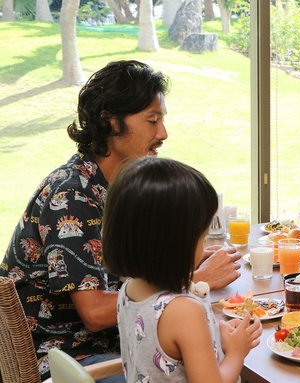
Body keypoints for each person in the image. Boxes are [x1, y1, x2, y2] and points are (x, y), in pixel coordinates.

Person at [0, 60, 242, 381]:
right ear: (109, 121)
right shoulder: (71, 196)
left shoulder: (118, 184)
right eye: (152, 120)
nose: (163, 133)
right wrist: (196, 282)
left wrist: (179, 259)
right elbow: (95, 312)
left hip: (118, 340)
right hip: (64, 358)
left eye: (162, 119)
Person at [103, 157, 262, 383]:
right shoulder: (183, 310)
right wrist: (237, 351)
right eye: (202, 235)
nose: (204, 243)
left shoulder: (130, 288)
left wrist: (215, 334)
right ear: (176, 243)